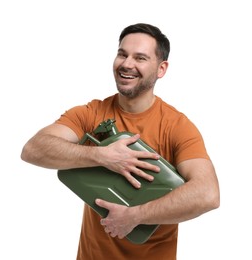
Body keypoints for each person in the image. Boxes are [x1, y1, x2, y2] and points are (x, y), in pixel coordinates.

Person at [21, 23, 220, 260]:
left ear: (161, 68)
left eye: (140, 58)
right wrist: (102, 156)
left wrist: (136, 215)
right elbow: (33, 149)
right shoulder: (91, 113)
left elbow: (208, 194)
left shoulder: (176, 126)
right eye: (122, 54)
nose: (127, 64)